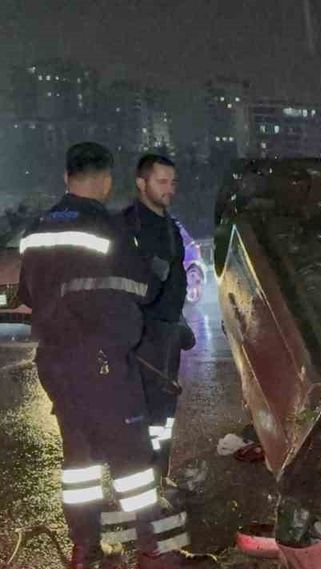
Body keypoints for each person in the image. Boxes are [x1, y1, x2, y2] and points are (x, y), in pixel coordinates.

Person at [17, 142, 194, 569]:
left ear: (66, 177)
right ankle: (154, 553)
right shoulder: (106, 227)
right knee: (131, 457)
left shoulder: (38, 229)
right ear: (107, 181)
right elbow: (143, 289)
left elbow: (27, 295)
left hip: (55, 359)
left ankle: (85, 551)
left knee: (79, 461)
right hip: (101, 360)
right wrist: (156, 270)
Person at [122, 154, 194, 483]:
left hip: (167, 332)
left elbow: (174, 277)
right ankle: (143, 483)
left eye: (173, 182)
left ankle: (160, 477)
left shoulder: (168, 224)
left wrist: (177, 322)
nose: (170, 189)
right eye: (162, 182)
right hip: (142, 334)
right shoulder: (128, 226)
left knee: (164, 414)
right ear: (142, 183)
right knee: (145, 415)